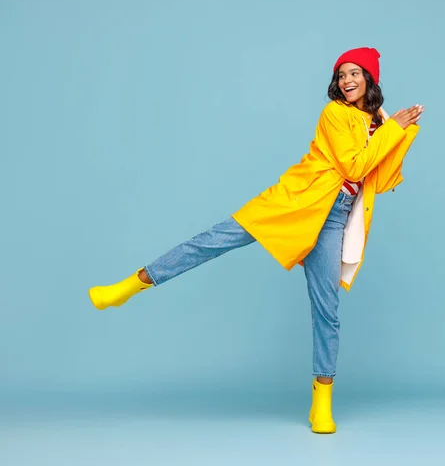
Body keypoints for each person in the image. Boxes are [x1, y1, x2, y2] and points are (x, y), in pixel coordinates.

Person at [88, 47, 424, 434]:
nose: (346, 80)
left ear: (370, 78)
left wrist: (404, 131)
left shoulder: (377, 121)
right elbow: (352, 165)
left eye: (354, 73)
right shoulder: (335, 113)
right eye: (342, 74)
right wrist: (394, 129)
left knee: (327, 309)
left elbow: (381, 179)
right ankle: (129, 286)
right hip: (297, 202)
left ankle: (321, 403)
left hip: (334, 218)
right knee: (213, 240)